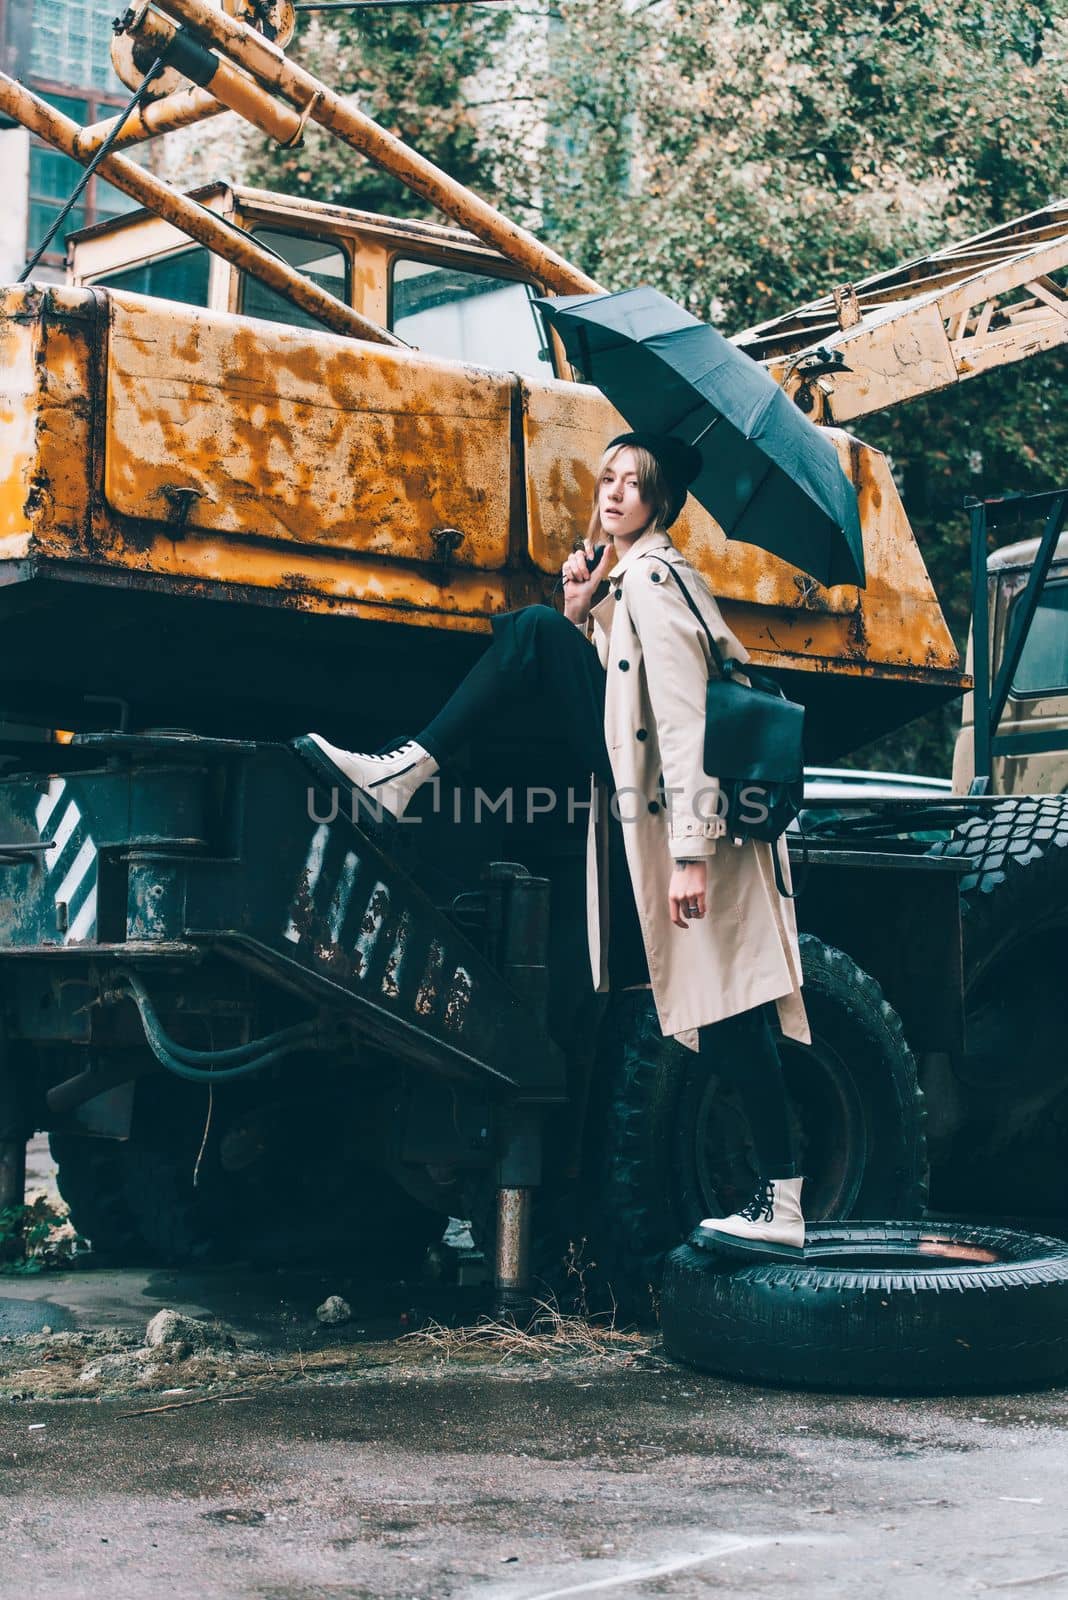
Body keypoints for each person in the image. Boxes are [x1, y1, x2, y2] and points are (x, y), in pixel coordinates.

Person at [297, 432, 811, 1257]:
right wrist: (583, 615)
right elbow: (623, 696)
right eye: (605, 478)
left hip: (686, 819)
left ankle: (404, 772)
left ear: (660, 501)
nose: (612, 494)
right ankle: (780, 1197)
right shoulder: (628, 583)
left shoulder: (651, 577)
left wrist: (689, 853)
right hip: (645, 799)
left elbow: (680, 724)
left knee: (732, 1011)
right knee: (725, 1014)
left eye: (632, 483)